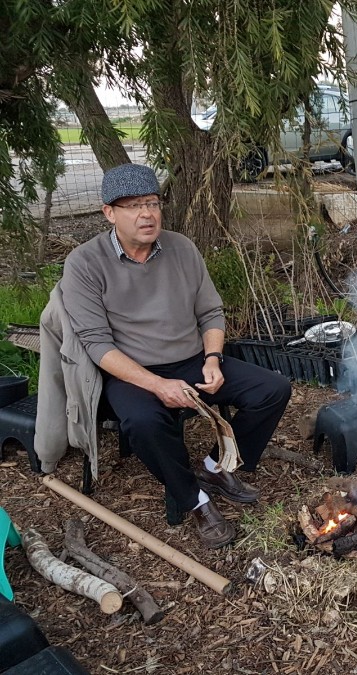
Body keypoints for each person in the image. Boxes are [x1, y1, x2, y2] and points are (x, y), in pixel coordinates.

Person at [56, 163, 292, 548]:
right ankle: (194, 500)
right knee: (145, 422)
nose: (146, 214)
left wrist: (212, 359)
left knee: (273, 389)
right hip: (132, 371)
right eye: (132, 206)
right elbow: (97, 344)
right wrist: (156, 384)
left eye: (151, 203)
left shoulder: (181, 247)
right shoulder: (85, 262)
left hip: (192, 361)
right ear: (109, 213)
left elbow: (211, 313)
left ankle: (215, 467)